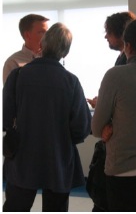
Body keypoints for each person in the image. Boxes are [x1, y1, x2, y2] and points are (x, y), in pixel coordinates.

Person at [3, 22, 91, 212]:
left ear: (42, 45)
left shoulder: (18, 76)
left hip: (22, 159)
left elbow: (5, 119)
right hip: (58, 160)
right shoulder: (71, 81)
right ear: (65, 53)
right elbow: (81, 128)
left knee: (16, 207)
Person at [91, 19, 136, 212]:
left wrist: (111, 123)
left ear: (128, 46)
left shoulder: (115, 76)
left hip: (125, 171)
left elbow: (97, 128)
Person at [85, 11, 136, 212]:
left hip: (121, 150)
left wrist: (104, 113)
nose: (105, 36)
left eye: (108, 32)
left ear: (121, 34)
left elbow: (127, 108)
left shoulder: (124, 65)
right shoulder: (126, 61)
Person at [3, 14, 48, 83]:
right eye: (41, 32)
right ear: (27, 35)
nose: (46, 36)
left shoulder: (51, 59)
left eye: (47, 32)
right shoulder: (13, 62)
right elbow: (10, 92)